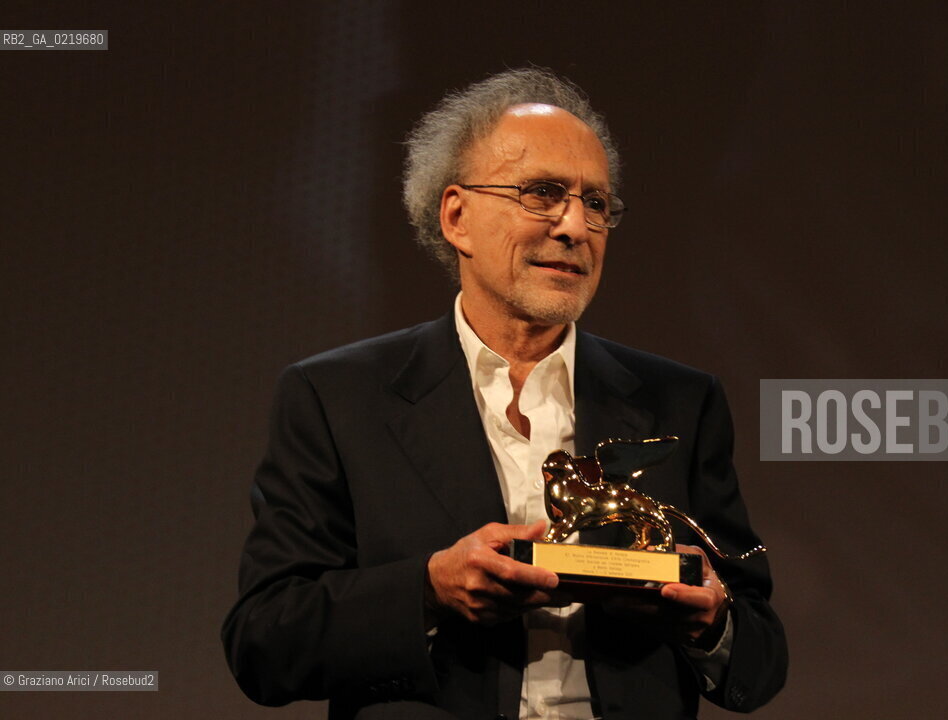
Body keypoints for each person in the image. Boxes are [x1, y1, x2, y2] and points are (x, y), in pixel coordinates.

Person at [222, 68, 787, 719]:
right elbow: (263, 641)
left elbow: (761, 659)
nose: (576, 225)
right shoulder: (337, 397)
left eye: (597, 203)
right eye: (543, 194)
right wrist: (428, 589)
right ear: (457, 216)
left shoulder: (681, 403)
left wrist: (708, 619)